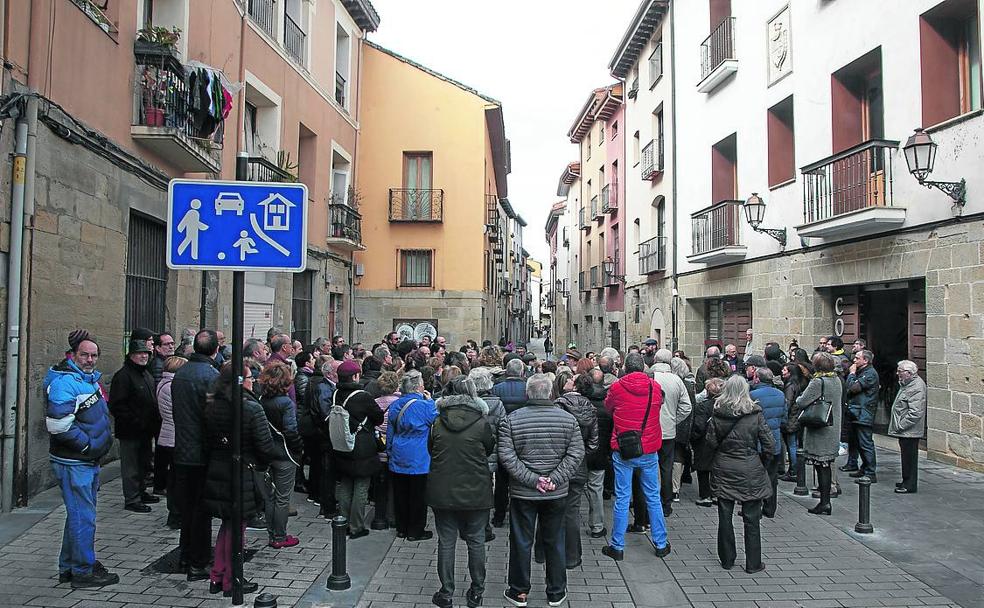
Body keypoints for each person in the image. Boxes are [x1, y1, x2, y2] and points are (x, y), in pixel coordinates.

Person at [499, 374, 584, 608]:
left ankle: (519, 591)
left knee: (521, 540)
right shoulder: (568, 420)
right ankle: (556, 591)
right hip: (556, 492)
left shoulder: (512, 420)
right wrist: (553, 479)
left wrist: (533, 480)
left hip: (523, 492)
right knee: (555, 539)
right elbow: (576, 453)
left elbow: (507, 456)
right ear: (550, 394)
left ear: (528, 394)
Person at [45, 337, 119, 589]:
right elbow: (57, 425)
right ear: (72, 355)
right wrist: (88, 446)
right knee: (83, 517)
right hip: (74, 462)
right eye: (85, 355)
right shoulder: (65, 382)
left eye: (94, 355)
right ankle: (82, 571)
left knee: (78, 515)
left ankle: (70, 566)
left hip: (84, 461)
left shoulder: (88, 380)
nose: (90, 360)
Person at [202, 362, 280, 597]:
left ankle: (218, 574)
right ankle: (231, 579)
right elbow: (265, 445)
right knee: (238, 526)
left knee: (228, 523)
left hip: (218, 468)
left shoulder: (212, 403)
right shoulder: (249, 408)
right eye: (249, 378)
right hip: (242, 470)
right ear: (239, 381)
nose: (252, 382)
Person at [428, 376, 495, 608]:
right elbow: (488, 448)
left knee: (446, 541)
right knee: (476, 540)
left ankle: (446, 592)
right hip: (476, 489)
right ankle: (476, 591)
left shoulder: (437, 422)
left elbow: (430, 448)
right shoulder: (481, 422)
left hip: (443, 488)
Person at [600, 352, 671, 563]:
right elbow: (659, 405)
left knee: (622, 497)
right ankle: (660, 542)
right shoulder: (654, 387)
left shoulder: (617, 387)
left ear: (625, 368)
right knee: (652, 495)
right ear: (642, 368)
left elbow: (608, 407)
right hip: (648, 447)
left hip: (623, 447)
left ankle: (617, 545)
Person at [705, 375, 775, 574]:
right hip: (750, 467)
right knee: (752, 518)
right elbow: (769, 444)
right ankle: (753, 563)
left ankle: (727, 559)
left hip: (724, 466)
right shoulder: (755, 413)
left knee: (724, 516)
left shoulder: (718, 413)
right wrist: (760, 460)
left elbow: (710, 442)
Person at [171, 330, 221, 581]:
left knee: (188, 506)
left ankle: (185, 554)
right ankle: (198, 562)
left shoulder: (181, 373)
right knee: (201, 509)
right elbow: (212, 416)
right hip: (201, 451)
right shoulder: (211, 376)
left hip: (182, 448)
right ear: (215, 350)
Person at [332, 359, 384, 539]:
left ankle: (343, 522)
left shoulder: (336, 393)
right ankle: (356, 526)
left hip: (342, 445)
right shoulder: (362, 396)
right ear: (355, 376)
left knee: (346, 484)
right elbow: (378, 417)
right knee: (361, 486)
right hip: (361, 447)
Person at [109, 339, 162, 513]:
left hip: (146, 430)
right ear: (131, 355)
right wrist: (135, 421)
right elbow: (117, 405)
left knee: (143, 464)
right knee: (131, 466)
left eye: (146, 353)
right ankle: (132, 498)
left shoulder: (145, 374)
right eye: (140, 353)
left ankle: (140, 492)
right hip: (130, 431)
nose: (143, 356)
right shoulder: (123, 376)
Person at [387, 370, 439, 541]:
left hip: (399, 451)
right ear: (417, 387)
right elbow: (435, 418)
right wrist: (430, 400)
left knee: (400, 493)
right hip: (419, 455)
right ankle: (415, 530)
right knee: (418, 495)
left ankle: (401, 527)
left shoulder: (396, 405)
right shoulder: (424, 406)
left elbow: (390, 431)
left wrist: (390, 451)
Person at [259, 361, 303, 549]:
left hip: (267, 451)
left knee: (270, 497)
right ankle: (279, 536)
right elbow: (291, 430)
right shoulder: (285, 403)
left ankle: (272, 533)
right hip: (285, 453)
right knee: (282, 497)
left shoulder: (261, 400)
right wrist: (298, 448)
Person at [795, 352, 843, 515]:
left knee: (821, 466)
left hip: (820, 429)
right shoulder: (836, 380)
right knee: (827, 465)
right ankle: (825, 500)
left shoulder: (818, 382)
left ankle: (824, 502)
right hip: (832, 427)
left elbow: (802, 401)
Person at [649, 349, 692, 515]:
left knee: (650, 466)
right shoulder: (676, 380)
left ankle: (651, 502)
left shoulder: (650, 377)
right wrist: (674, 419)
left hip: (651, 429)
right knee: (666, 467)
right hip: (668, 430)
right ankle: (666, 503)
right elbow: (686, 406)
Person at [468, 367, 506, 538]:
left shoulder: (467, 402)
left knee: (471, 487)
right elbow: (503, 429)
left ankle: (471, 523)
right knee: (487, 487)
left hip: (470, 452)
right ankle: (484, 526)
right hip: (492, 450)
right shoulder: (497, 404)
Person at [749, 368, 785, 518]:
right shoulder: (781, 394)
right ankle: (770, 508)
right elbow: (784, 418)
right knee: (771, 475)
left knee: (756, 476)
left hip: (757, 441)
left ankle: (755, 508)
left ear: (757, 378)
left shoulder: (752, 395)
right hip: (775, 440)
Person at [155, 355, 187, 528]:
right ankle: (175, 514)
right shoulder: (171, 387)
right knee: (176, 478)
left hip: (168, 433)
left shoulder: (164, 383)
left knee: (174, 476)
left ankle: (176, 512)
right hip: (173, 435)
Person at [888, 360, 927, 494]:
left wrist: (900, 425)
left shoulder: (916, 387)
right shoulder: (907, 384)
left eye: (900, 371)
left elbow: (915, 412)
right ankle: (906, 480)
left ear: (909, 373)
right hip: (905, 431)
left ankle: (909, 484)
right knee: (906, 457)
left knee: (909, 458)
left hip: (910, 431)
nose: (898, 374)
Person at [371, 371, 401, 530]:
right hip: (393, 450)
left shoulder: (374, 402)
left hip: (377, 450)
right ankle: (393, 517)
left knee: (380, 486)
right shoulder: (400, 403)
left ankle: (379, 518)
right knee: (394, 486)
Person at [845, 349, 880, 481]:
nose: (854, 360)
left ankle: (870, 472)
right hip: (856, 412)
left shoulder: (870, 374)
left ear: (865, 360)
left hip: (863, 413)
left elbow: (852, 388)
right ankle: (864, 468)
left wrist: (852, 374)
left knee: (865, 443)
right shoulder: (863, 372)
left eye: (857, 358)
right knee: (859, 443)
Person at [691, 377, 725, 507]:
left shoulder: (703, 406)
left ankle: (705, 496)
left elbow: (699, 426)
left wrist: (693, 437)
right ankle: (717, 494)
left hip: (704, 442)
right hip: (721, 441)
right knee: (718, 469)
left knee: (703, 469)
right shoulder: (726, 405)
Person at [779, 362, 810, 481]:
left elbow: (788, 402)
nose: (782, 372)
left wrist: (784, 418)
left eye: (784, 370)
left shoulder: (790, 386)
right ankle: (795, 470)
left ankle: (794, 471)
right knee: (793, 445)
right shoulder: (797, 384)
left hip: (791, 419)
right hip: (795, 418)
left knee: (792, 445)